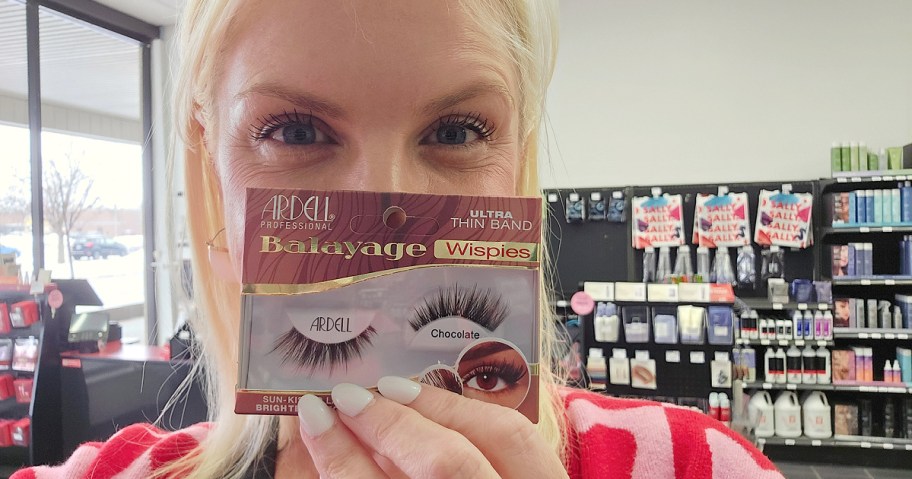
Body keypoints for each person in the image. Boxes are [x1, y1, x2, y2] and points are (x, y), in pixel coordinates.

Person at [14, 1, 785, 478]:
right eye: (294, 130)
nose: (388, 219)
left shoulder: (695, 467)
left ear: (516, 165)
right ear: (213, 176)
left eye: (455, 130)